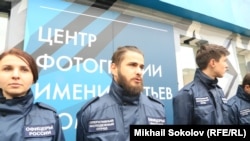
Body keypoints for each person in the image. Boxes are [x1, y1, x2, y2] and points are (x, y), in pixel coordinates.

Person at [76, 45, 166, 141]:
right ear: (114, 68)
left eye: (141, 67)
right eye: (132, 65)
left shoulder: (157, 110)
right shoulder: (91, 112)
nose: (139, 71)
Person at [0, 48, 65, 141]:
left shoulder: (49, 117)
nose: (15, 75)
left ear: (33, 78)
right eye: (7, 69)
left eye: (24, 70)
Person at [172, 43, 230, 124]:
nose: (227, 66)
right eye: (224, 61)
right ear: (213, 62)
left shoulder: (219, 91)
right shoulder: (186, 94)